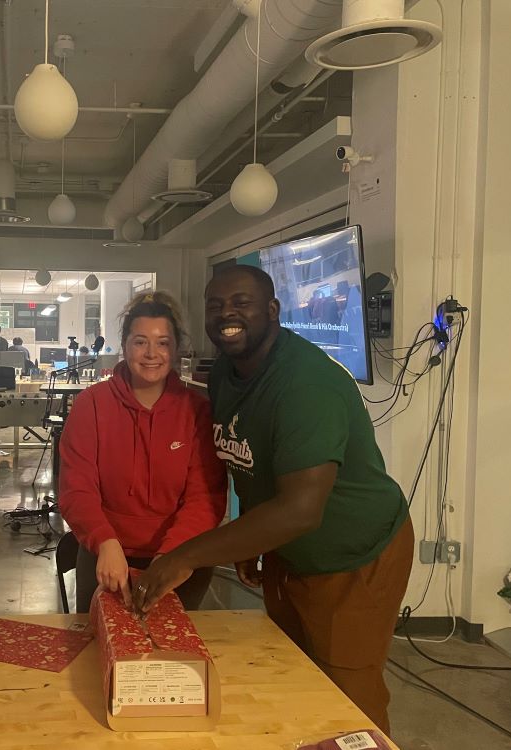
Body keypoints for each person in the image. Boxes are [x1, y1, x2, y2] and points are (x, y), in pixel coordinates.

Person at [133, 266, 413, 736]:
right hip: (292, 552)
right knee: (293, 674)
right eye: (216, 305)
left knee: (348, 698)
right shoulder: (226, 370)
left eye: (241, 303)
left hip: (355, 554)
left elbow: (302, 508)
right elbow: (245, 456)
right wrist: (253, 545)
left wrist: (185, 555)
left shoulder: (306, 384)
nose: (227, 315)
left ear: (273, 310)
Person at [58, 290, 228, 613]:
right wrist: (104, 541)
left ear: (176, 349)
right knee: (99, 654)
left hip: (179, 560)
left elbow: (205, 498)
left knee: (169, 660)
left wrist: (171, 557)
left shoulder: (197, 412)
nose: (151, 353)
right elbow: (76, 489)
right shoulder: (91, 405)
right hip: (105, 556)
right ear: (124, 346)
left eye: (163, 342)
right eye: (140, 342)